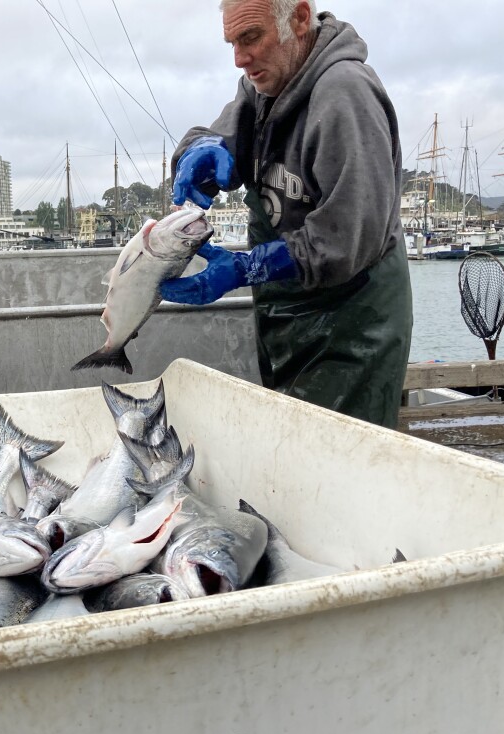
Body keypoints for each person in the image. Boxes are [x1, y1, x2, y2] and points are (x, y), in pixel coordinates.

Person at [162, 0, 413, 429]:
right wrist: (197, 152)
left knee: (339, 465)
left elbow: (346, 241)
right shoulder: (260, 86)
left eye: (251, 37)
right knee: (294, 448)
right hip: (287, 318)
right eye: (232, 43)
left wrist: (247, 267)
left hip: (352, 327)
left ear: (299, 19)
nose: (240, 59)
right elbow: (221, 134)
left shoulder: (345, 94)